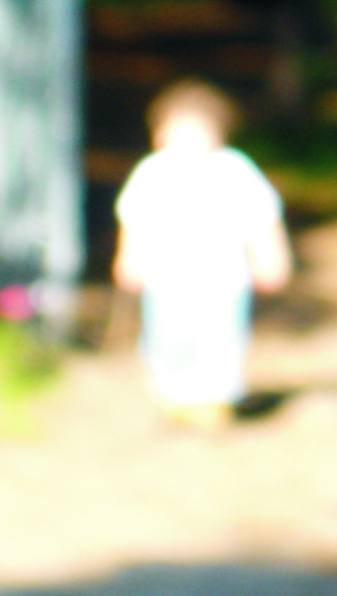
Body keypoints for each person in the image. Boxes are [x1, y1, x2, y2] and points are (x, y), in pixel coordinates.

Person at [113, 78, 292, 428]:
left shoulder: (234, 170)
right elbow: (133, 220)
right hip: (166, 280)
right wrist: (129, 259)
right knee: (168, 339)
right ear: (160, 134)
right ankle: (176, 395)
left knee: (220, 340)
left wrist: (271, 258)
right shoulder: (153, 172)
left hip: (223, 280)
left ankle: (214, 397)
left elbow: (263, 218)